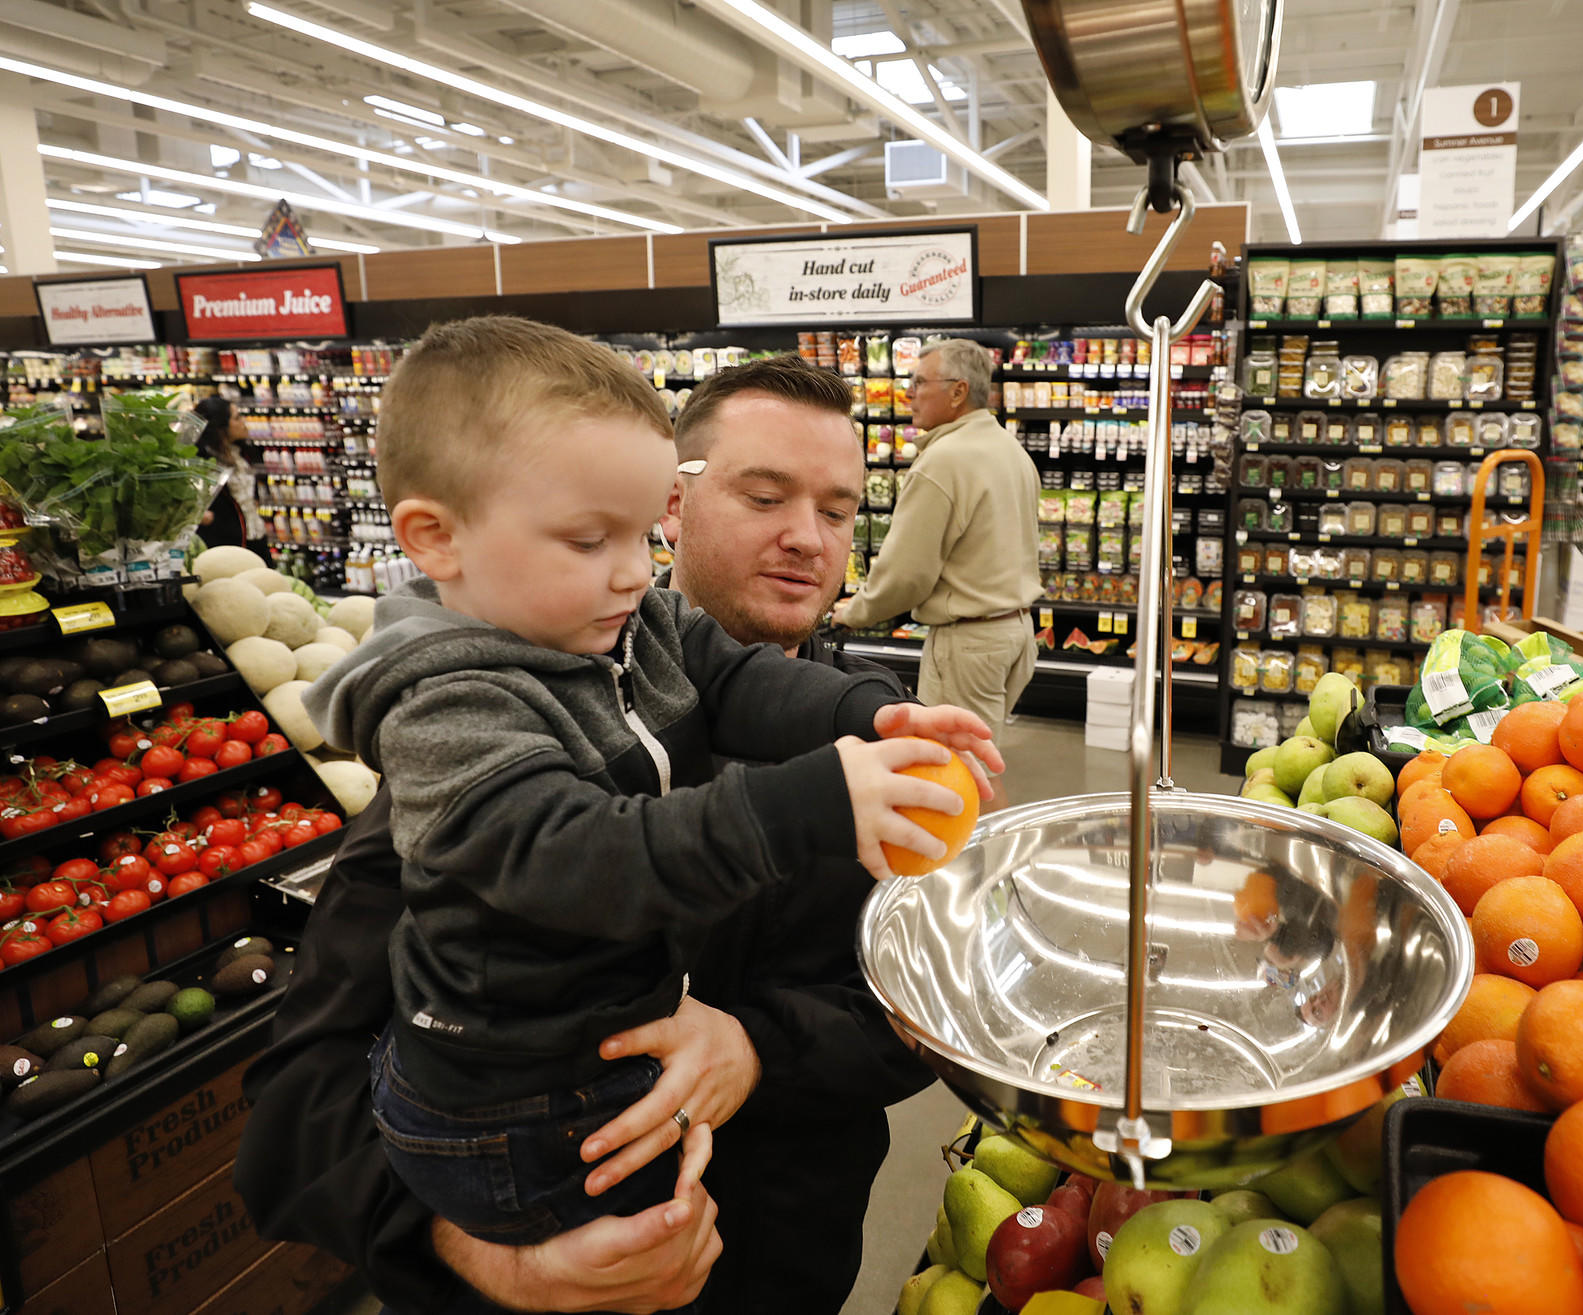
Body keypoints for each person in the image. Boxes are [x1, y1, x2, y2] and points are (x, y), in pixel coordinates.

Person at [242, 321, 992, 1308]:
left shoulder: (883, 744)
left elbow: (925, 1008)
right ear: (674, 503)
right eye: (763, 496)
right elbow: (296, 1102)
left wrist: (758, 1045)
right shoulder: (494, 727)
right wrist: (486, 1256)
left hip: (783, 1267)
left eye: (840, 509)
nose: (807, 537)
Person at [832, 338, 1042, 801]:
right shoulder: (1011, 451)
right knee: (981, 758)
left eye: (919, 382)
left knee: (963, 774)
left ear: (957, 391)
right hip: (1016, 633)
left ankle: (974, 867)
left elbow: (907, 572)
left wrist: (854, 611)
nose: (908, 393)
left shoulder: (944, 461)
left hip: (969, 643)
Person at [192, 395, 271, 559]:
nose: (244, 421)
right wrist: (207, 518)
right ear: (221, 427)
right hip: (224, 545)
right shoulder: (202, 461)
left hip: (255, 536)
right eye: (237, 418)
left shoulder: (242, 453)